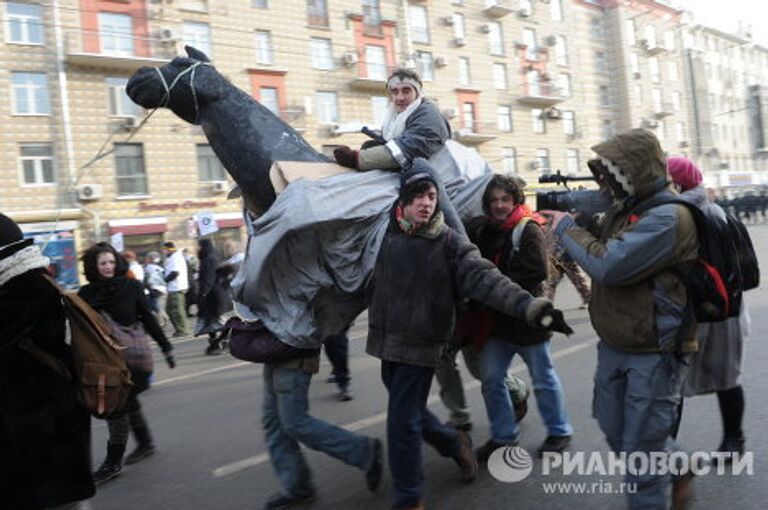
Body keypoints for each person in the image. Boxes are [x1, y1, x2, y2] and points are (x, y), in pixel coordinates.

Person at [367, 161, 572, 510]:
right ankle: (451, 443)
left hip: (422, 344)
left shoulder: (448, 242)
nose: (425, 203)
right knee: (412, 412)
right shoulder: (385, 234)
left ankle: (409, 498)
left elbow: (487, 278)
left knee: (401, 422)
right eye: (417, 197)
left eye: (431, 196)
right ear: (402, 202)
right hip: (386, 341)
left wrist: (530, 307)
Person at [549, 129, 699, 509]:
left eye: (615, 172)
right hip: (617, 342)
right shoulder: (628, 207)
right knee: (615, 429)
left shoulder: (668, 217)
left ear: (636, 171)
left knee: (640, 462)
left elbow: (609, 264)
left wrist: (566, 228)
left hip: (656, 350)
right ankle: (678, 465)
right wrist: (577, 217)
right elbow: (602, 236)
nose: (609, 182)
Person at [465, 175, 573, 461]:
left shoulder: (528, 228)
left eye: (505, 200)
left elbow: (537, 270)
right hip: (496, 324)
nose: (499, 205)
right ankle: (503, 436)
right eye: (494, 200)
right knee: (491, 379)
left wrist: (494, 287)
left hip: (528, 320)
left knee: (542, 379)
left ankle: (559, 431)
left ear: (515, 201)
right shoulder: (485, 230)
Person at [0, 213, 95, 510]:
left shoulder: (24, 289)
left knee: (53, 498)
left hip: (41, 423)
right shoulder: (33, 282)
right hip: (45, 420)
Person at [668, 156, 750, 457]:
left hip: (708, 312)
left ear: (676, 184)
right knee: (723, 377)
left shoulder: (688, 215)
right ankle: (733, 441)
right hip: (724, 310)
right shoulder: (709, 210)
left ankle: (663, 457)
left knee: (672, 385)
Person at [79, 243, 176, 485]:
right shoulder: (86, 294)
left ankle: (113, 462)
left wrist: (166, 348)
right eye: (103, 263)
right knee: (126, 403)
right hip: (105, 362)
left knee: (118, 408)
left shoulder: (131, 286)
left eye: (112, 262)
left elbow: (148, 319)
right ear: (94, 266)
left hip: (133, 360)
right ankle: (145, 443)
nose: (108, 267)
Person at [261, 349, 383, 509]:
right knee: (274, 423)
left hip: (294, 355)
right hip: (272, 354)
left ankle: (363, 451)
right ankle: (298, 487)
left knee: (295, 423)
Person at [195, 238, 230, 355]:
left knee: (217, 321)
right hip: (212, 293)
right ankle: (216, 343)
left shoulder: (209, 259)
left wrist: (204, 293)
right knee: (209, 321)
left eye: (199, 246)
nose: (197, 248)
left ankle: (222, 341)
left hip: (212, 294)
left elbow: (208, 278)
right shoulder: (209, 257)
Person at [163, 241, 190, 337]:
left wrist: (163, 280)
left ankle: (182, 330)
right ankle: (180, 329)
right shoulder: (174, 257)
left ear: (168, 249)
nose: (164, 252)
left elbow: (175, 273)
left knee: (176, 310)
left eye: (165, 250)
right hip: (174, 288)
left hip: (176, 287)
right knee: (170, 309)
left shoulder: (175, 258)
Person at [323, 325, 354, 401]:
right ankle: (336, 369)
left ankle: (343, 384)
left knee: (339, 345)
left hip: (338, 318)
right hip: (321, 318)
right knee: (328, 344)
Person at [144, 250, 169, 327]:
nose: (146, 259)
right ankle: (164, 318)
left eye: (148, 258)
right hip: (164, 289)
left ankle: (161, 322)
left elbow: (147, 279)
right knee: (160, 306)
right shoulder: (161, 268)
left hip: (155, 289)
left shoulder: (148, 268)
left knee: (155, 307)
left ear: (151, 259)